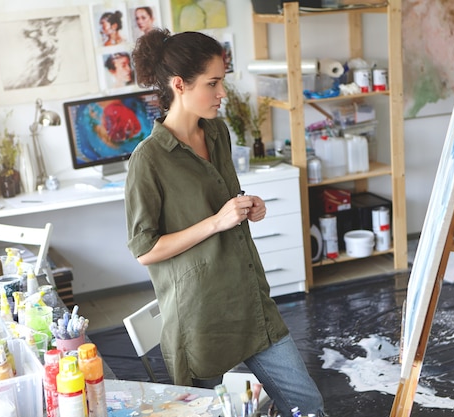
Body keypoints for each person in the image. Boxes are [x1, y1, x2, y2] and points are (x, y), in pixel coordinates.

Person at [126, 28, 327, 417]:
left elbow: (223, 201)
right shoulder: (148, 160)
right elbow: (146, 250)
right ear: (179, 85)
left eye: (223, 81)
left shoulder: (217, 133)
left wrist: (249, 206)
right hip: (202, 319)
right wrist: (216, 222)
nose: (223, 93)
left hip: (250, 299)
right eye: (213, 83)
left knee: (309, 406)